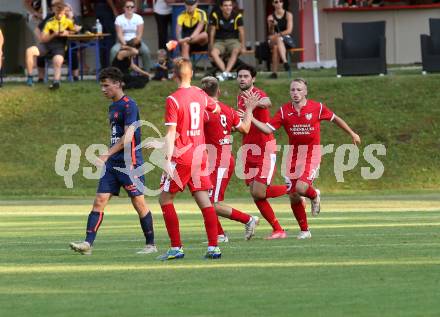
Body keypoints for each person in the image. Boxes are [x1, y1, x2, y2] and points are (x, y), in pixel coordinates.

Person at [249, 78, 361, 239]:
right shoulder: (284, 111)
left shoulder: (317, 107)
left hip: (312, 154)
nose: (295, 93)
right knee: (294, 195)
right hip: (293, 156)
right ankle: (305, 230)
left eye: (299, 90)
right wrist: (251, 118)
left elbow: (335, 118)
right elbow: (267, 129)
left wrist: (352, 133)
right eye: (293, 90)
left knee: (301, 189)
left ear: (305, 92)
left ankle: (314, 195)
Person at [70, 67, 157, 255]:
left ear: (118, 84)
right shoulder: (112, 106)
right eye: (101, 85)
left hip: (130, 163)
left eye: (106, 85)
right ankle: (87, 245)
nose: (103, 89)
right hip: (113, 164)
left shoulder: (129, 105)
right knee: (99, 200)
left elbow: (128, 137)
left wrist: (106, 154)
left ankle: (151, 244)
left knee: (139, 203)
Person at [157, 58, 222, 260]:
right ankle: (214, 247)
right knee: (203, 199)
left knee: (165, 198)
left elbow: (171, 133)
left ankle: (176, 248)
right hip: (200, 155)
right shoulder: (201, 94)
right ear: (191, 73)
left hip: (182, 157)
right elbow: (216, 108)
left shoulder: (173, 99)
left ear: (173, 75)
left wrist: (167, 160)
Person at [200, 76, 259, 241]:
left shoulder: (202, 111)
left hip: (219, 161)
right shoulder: (228, 110)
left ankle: (248, 219)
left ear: (201, 93)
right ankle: (219, 234)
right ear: (218, 91)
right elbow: (245, 128)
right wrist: (249, 110)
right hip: (216, 160)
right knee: (204, 199)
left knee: (212, 203)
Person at [236, 64, 288, 240]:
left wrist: (253, 105)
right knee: (255, 194)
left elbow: (267, 102)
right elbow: (245, 122)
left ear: (253, 79)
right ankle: (278, 230)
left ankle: (294, 189)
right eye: (240, 76)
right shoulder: (240, 97)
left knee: (259, 192)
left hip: (265, 148)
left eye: (246, 76)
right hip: (249, 149)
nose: (242, 79)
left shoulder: (257, 94)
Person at [24, 2, 77, 89]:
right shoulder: (49, 22)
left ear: (64, 12)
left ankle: (56, 82)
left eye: (61, 12)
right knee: (29, 51)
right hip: (46, 45)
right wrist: (54, 34)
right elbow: (43, 39)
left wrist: (67, 32)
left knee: (57, 60)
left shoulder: (68, 21)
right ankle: (30, 78)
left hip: (59, 47)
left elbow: (76, 31)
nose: (59, 15)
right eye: (57, 12)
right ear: (54, 11)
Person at [208, 0, 245, 81]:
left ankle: (225, 73)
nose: (228, 7)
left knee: (235, 50)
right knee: (214, 53)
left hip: (233, 40)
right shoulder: (215, 15)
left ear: (232, 6)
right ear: (221, 7)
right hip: (219, 41)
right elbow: (212, 32)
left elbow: (242, 32)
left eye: (230, 5)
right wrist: (210, 45)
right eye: (225, 5)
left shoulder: (237, 15)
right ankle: (226, 73)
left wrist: (243, 46)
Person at [110, 0, 152, 71]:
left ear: (134, 8)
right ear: (124, 8)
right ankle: (114, 73)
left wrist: (133, 46)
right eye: (127, 7)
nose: (130, 8)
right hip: (123, 42)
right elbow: (120, 34)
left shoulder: (139, 18)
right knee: (113, 51)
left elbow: (139, 35)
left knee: (146, 51)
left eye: (132, 7)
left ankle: (147, 73)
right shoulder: (119, 18)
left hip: (136, 42)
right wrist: (126, 45)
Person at [267, 0, 293, 79]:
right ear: (273, 4)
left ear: (283, 3)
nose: (278, 3)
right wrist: (272, 25)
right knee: (277, 40)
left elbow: (289, 30)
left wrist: (277, 35)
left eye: (280, 1)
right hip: (274, 39)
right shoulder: (270, 17)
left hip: (285, 39)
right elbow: (270, 31)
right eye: (276, 2)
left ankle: (274, 73)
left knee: (276, 47)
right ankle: (285, 62)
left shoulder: (288, 15)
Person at [95, 0, 118, 68]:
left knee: (101, 39)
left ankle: (104, 66)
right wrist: (114, 10)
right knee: (110, 39)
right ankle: (110, 65)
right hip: (106, 10)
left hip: (99, 9)